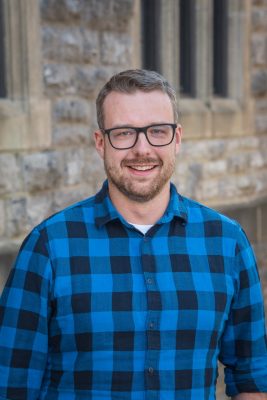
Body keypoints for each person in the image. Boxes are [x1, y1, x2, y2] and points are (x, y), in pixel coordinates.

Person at [0, 69, 266, 400]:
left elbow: (253, 377)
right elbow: (11, 382)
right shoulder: (49, 246)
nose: (142, 149)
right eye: (124, 133)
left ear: (177, 139)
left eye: (157, 131)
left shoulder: (227, 243)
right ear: (101, 143)